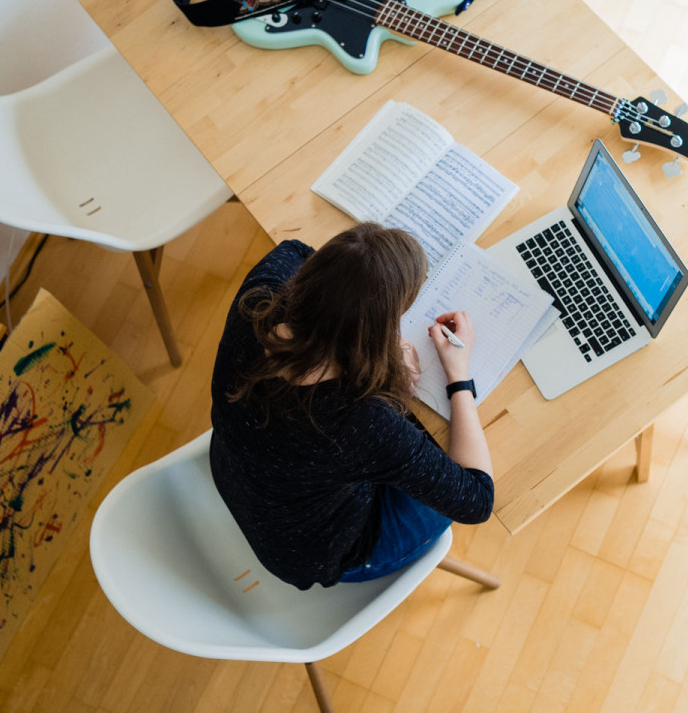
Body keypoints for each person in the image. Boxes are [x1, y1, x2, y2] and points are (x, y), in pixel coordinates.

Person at [209, 222, 494, 590]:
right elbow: (476, 500)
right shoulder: (359, 422)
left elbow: (295, 249)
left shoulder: (258, 297)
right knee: (438, 491)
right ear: (374, 332)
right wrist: (458, 375)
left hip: (237, 472)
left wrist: (382, 341)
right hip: (314, 551)